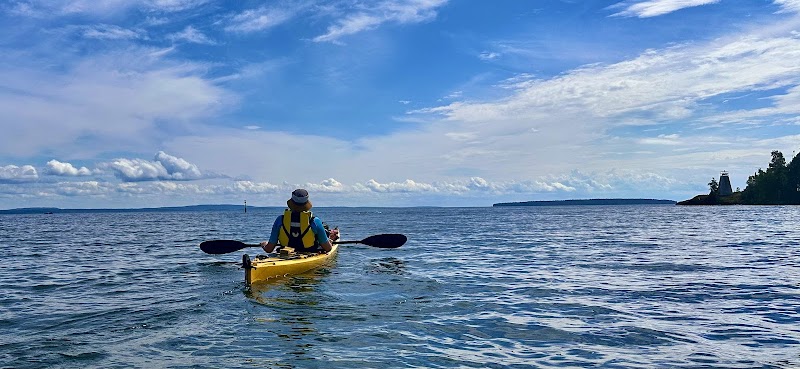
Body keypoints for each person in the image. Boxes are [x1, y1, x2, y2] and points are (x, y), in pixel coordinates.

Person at [260, 189, 338, 254]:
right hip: (309, 252)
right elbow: (328, 249)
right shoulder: (315, 221)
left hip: (286, 253)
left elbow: (269, 249)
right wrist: (330, 241)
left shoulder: (280, 220)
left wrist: (264, 244)